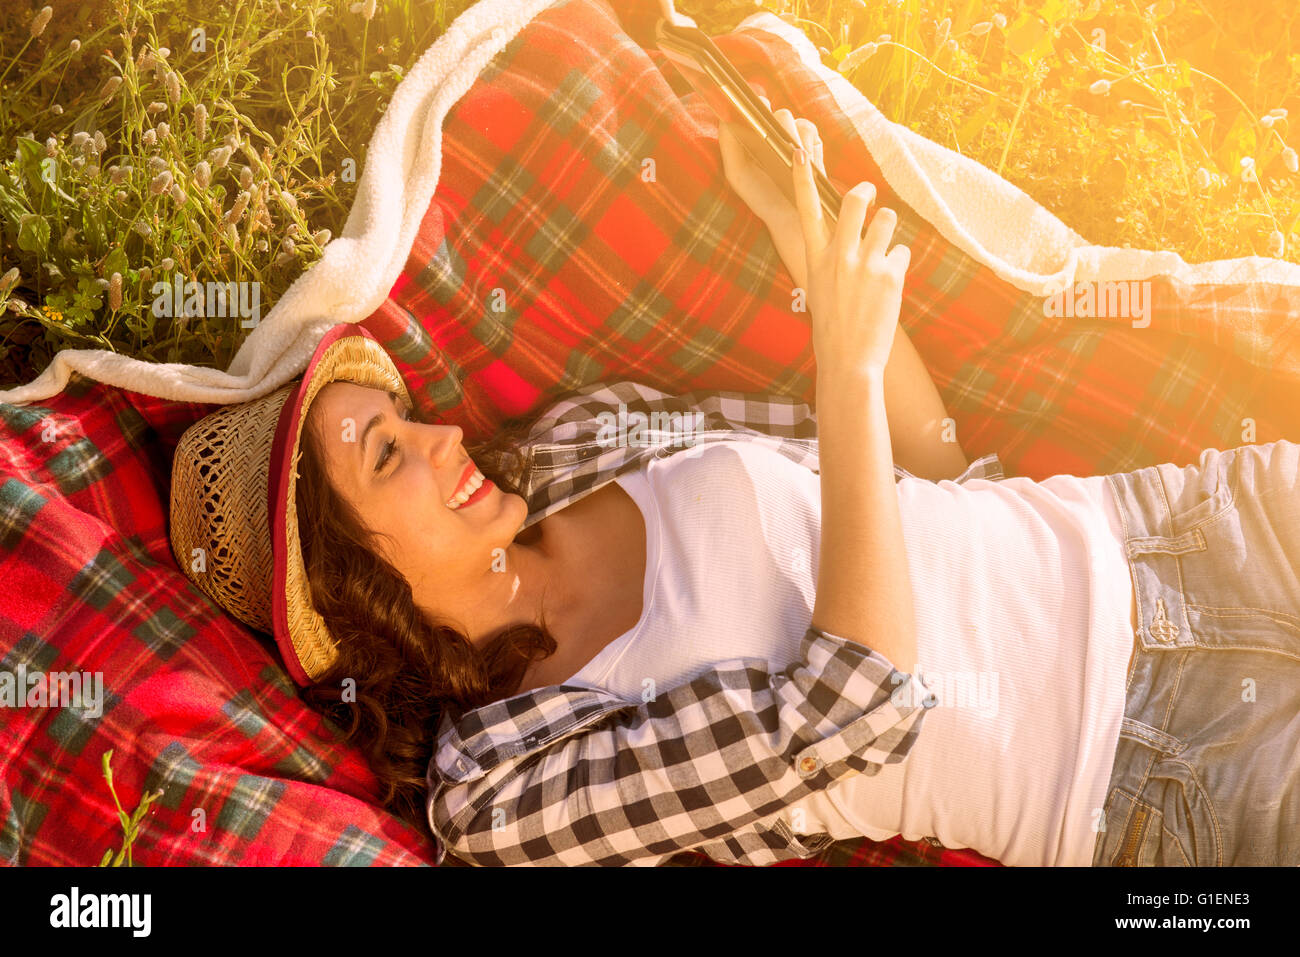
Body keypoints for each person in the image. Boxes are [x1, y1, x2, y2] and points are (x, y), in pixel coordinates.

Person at [170, 107, 1300, 868]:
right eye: (385, 456)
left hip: (1176, 530)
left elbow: (935, 481)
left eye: (405, 418)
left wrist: (809, 253)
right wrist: (845, 368)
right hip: (1152, 778)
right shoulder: (499, 786)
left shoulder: (582, 444)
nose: (443, 435)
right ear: (351, 587)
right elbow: (857, 707)